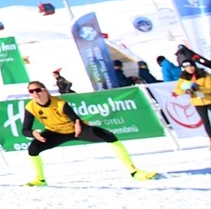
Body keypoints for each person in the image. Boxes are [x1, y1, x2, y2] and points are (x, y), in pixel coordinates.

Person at [20, 80, 155, 186]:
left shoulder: (59, 103)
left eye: (38, 90)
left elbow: (75, 118)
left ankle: (134, 172)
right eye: (31, 92)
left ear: (46, 91)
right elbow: (25, 129)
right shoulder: (30, 107)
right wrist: (34, 134)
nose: (35, 94)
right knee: (33, 148)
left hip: (76, 130)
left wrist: (78, 124)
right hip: (56, 132)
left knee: (109, 136)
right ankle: (40, 180)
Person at [172, 60, 211, 147]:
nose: (190, 69)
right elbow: (176, 90)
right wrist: (186, 91)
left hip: (209, 100)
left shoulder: (204, 74)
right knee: (206, 122)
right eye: (187, 67)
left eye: (191, 66)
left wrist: (199, 89)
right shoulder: (183, 77)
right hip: (197, 102)